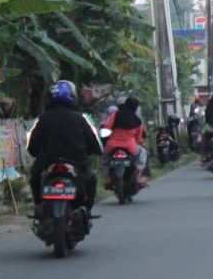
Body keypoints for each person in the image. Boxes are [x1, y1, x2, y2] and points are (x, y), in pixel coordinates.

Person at [26, 80, 102, 215]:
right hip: (77, 162)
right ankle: (86, 210)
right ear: (72, 96)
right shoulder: (80, 119)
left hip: (48, 162)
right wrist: (95, 150)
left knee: (35, 178)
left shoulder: (43, 119)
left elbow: (33, 147)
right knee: (91, 181)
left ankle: (39, 207)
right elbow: (93, 143)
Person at [103, 97, 149, 187]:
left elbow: (107, 126)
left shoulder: (116, 114)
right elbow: (139, 139)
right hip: (130, 146)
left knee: (104, 159)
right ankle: (138, 176)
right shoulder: (137, 120)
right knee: (143, 153)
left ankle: (107, 177)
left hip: (112, 145)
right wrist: (140, 142)